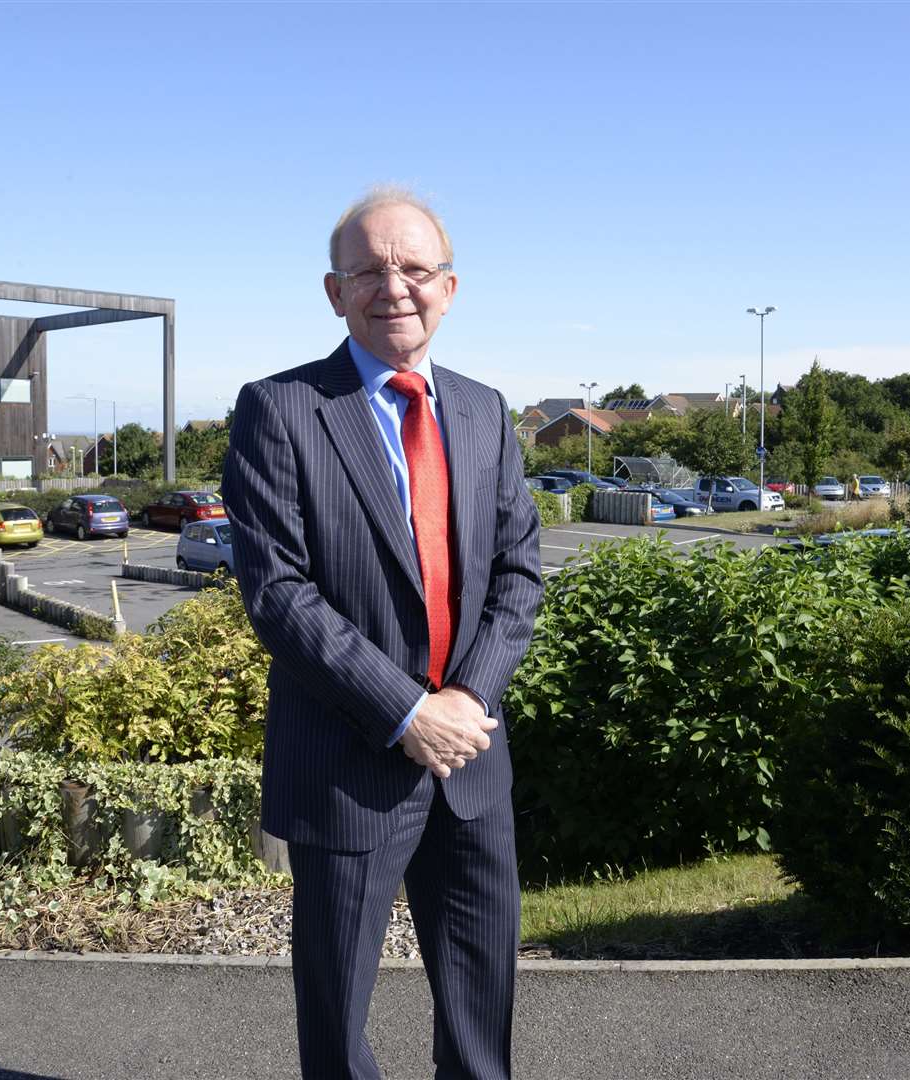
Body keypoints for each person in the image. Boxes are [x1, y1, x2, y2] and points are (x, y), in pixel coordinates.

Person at [222, 187, 544, 1080]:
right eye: (368, 269)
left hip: (473, 758)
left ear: (449, 287)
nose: (391, 286)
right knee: (337, 1020)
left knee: (482, 1013)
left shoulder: (484, 412)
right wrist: (408, 711)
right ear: (335, 292)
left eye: (413, 268)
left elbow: (519, 575)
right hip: (349, 765)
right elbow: (278, 594)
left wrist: (467, 699)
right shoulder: (280, 411)